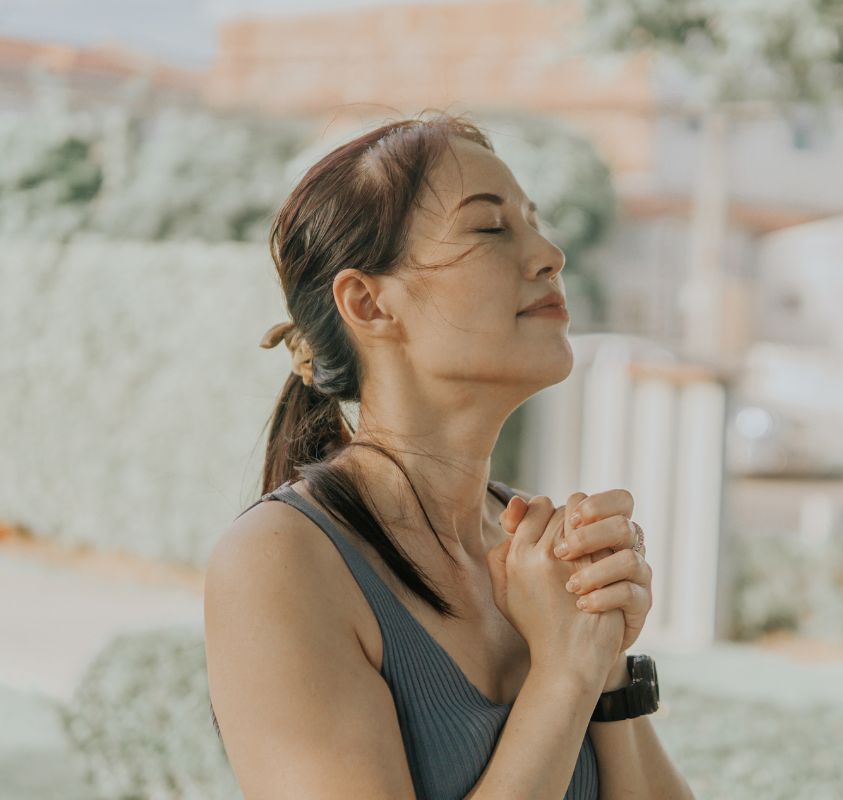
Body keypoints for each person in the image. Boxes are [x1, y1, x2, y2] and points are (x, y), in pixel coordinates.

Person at [203, 112, 693, 799]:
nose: (549, 253)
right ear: (369, 304)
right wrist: (561, 675)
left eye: (534, 220)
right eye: (490, 227)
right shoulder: (279, 562)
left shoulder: (539, 555)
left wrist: (602, 655)